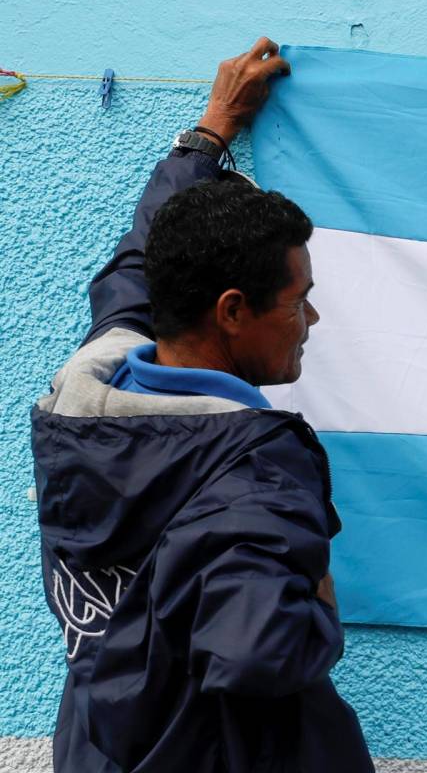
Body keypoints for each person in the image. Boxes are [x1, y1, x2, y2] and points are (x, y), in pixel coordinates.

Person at [31, 38, 374, 772]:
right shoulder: (254, 478)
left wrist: (209, 133)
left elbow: (138, 257)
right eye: (298, 301)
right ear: (230, 311)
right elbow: (259, 653)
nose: (311, 321)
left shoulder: (88, 390)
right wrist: (321, 604)